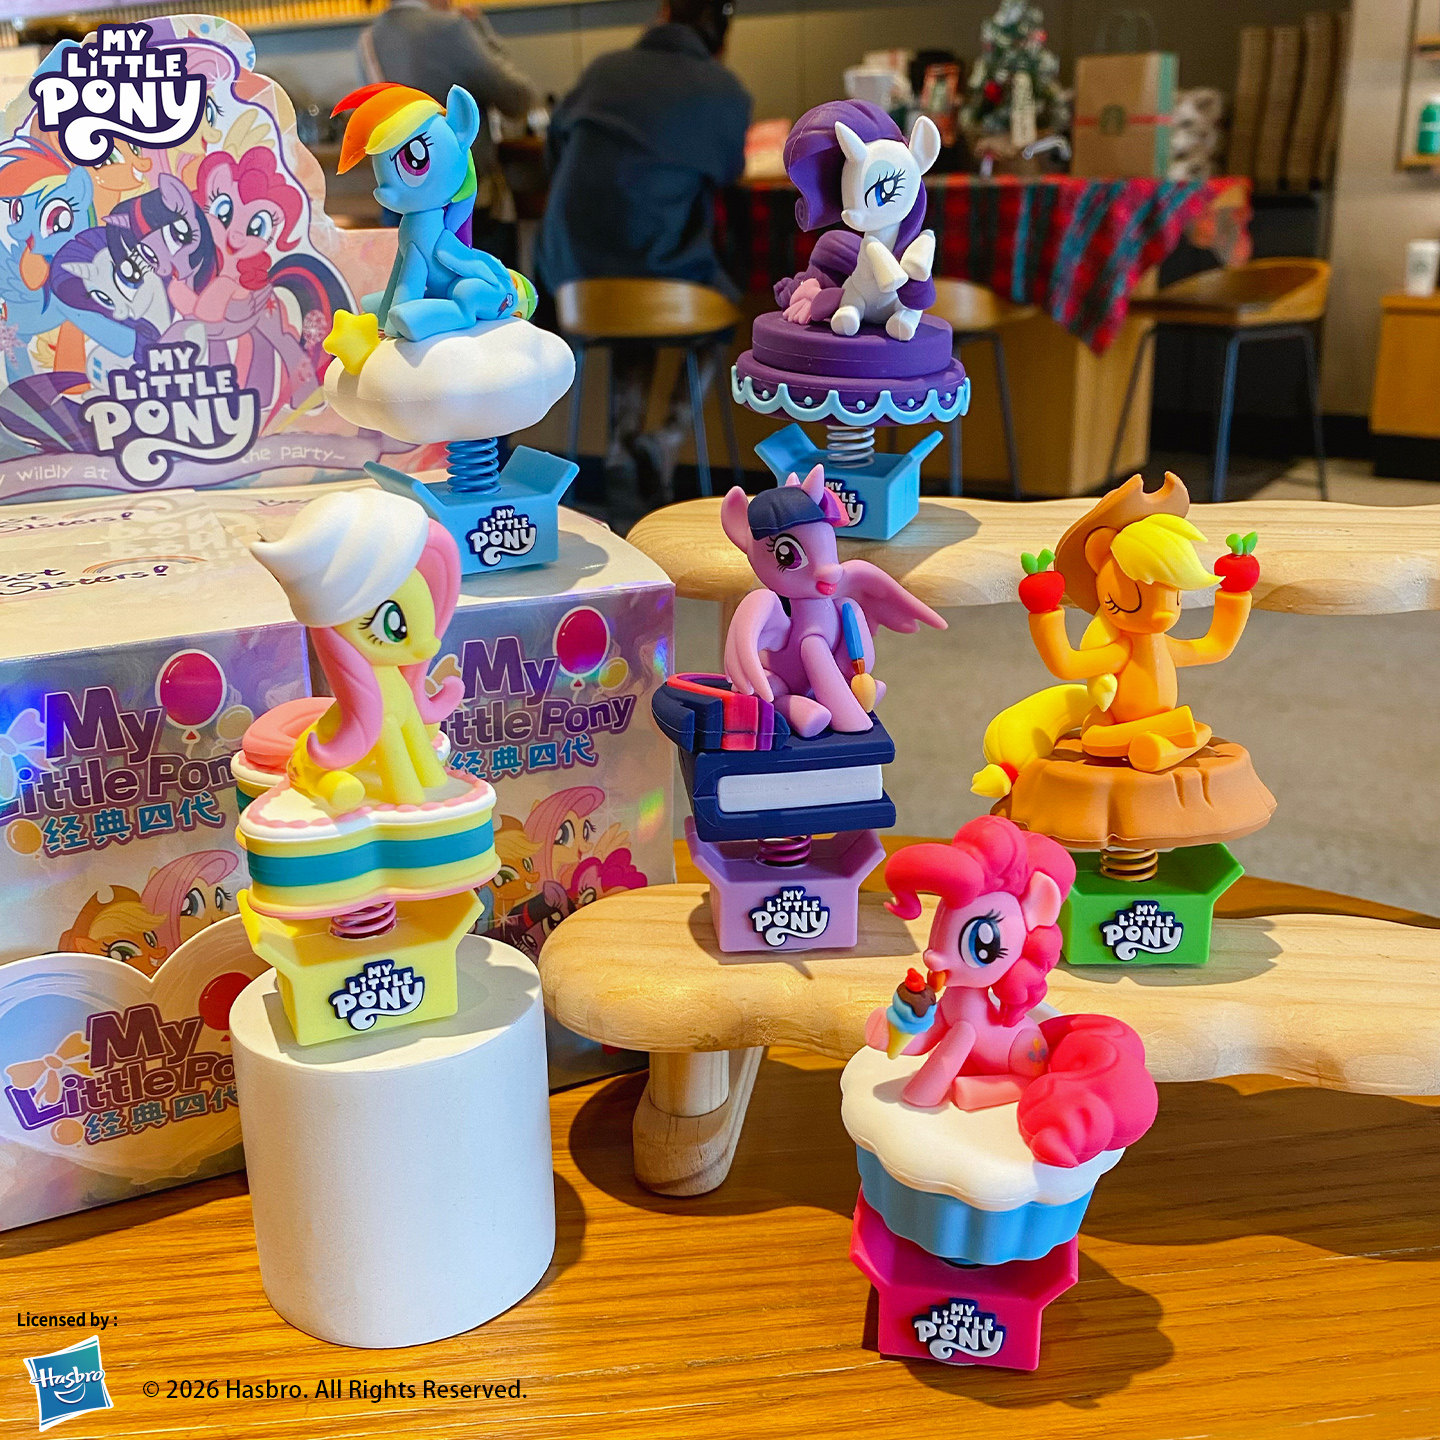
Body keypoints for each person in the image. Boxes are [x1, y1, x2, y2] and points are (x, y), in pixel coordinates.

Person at [537, 0, 750, 527]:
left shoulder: (603, 70)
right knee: (720, 304)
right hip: (657, 272)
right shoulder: (725, 90)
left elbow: (554, 149)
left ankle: (621, 450)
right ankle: (666, 438)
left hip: (569, 276)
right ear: (722, 36)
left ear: (663, 13)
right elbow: (728, 172)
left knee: (637, 312)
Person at [360, 0, 539, 262]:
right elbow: (518, 99)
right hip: (465, 207)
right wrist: (481, 30)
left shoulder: (368, 40)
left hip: (402, 208)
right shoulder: (451, 27)